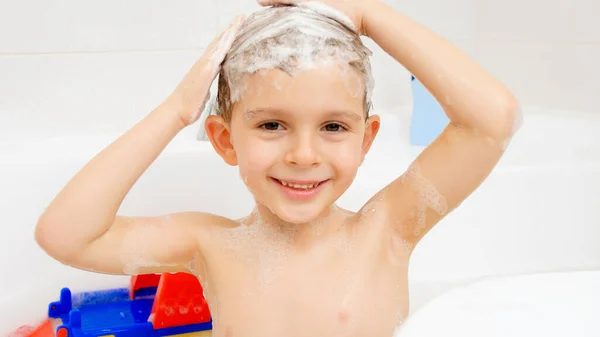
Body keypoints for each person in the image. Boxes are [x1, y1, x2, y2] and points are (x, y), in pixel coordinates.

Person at [35, 0, 521, 336]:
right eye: (272, 125)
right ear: (226, 140)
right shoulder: (212, 244)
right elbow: (65, 235)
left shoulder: (387, 229)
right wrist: (175, 112)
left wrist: (366, 12)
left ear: (366, 139)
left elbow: (493, 120)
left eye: (333, 126)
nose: (304, 155)